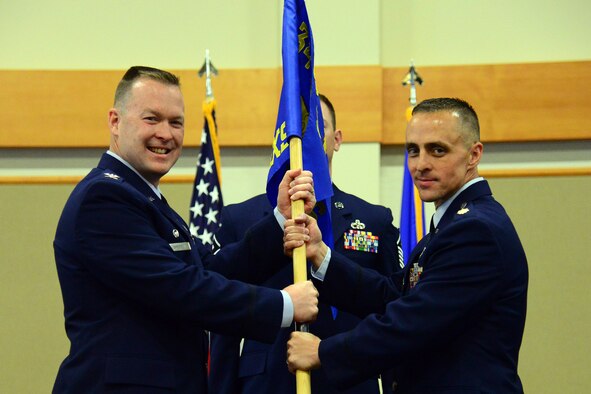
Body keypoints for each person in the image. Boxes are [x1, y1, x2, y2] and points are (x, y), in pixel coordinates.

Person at [52, 66, 320, 393]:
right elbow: (179, 287)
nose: (166, 134)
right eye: (152, 119)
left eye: (176, 122)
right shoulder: (104, 199)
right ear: (115, 121)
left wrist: (279, 220)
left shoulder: (144, 198)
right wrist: (283, 305)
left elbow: (209, 269)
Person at [285, 97, 529, 393]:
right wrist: (321, 254)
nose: (421, 165)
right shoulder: (453, 224)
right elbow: (392, 295)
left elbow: (410, 323)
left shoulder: (476, 231)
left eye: (438, 150)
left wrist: (322, 352)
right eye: (413, 151)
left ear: (474, 154)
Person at [208, 94, 404, 394]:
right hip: (264, 382)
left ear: (336, 139)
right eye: (296, 130)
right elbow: (224, 318)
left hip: (349, 381)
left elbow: (392, 307)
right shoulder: (242, 218)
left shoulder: (374, 219)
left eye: (317, 127)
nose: (305, 137)